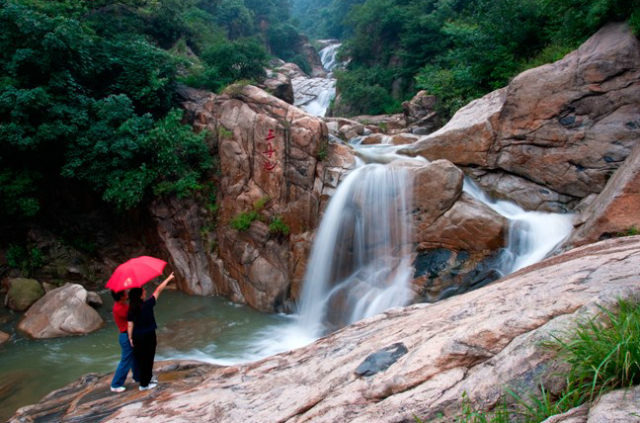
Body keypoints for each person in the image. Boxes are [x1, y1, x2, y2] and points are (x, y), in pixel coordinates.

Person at [127, 272, 175, 391]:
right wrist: (168, 279)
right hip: (148, 335)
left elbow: (129, 325)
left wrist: (130, 338)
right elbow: (158, 290)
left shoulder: (131, 309)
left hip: (137, 336)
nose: (145, 292)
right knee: (148, 359)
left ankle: (145, 380)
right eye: (143, 291)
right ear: (140, 296)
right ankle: (144, 384)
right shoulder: (147, 305)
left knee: (141, 359)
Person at [110, 290, 140, 393]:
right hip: (126, 336)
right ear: (122, 296)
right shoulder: (120, 308)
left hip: (128, 335)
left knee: (135, 357)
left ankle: (137, 377)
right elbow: (134, 315)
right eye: (125, 293)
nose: (127, 294)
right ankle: (115, 384)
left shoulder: (121, 305)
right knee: (126, 361)